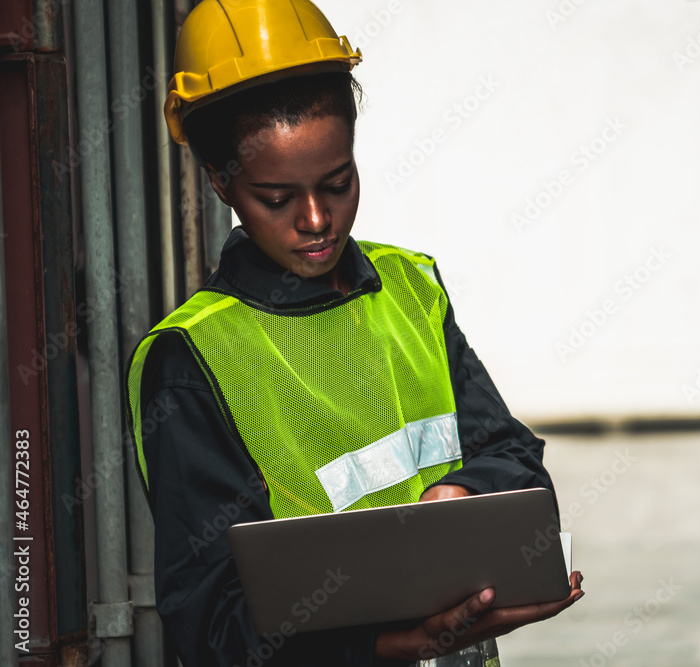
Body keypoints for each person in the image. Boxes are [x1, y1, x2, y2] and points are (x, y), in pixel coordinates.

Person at [123, 1, 583, 665]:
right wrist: (391, 644)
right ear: (222, 183)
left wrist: (463, 494)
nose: (317, 219)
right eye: (277, 199)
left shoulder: (410, 287)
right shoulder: (192, 356)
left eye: (338, 183)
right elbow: (212, 625)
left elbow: (511, 453)